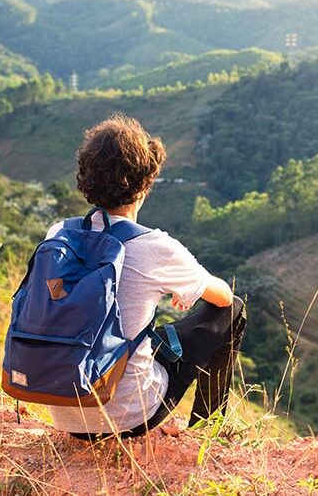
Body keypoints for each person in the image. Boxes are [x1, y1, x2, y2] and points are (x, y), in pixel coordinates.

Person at [44, 114, 247, 439]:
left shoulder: (58, 234)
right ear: (144, 183)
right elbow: (222, 296)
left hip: (63, 407)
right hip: (129, 416)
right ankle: (209, 428)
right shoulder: (154, 246)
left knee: (140, 335)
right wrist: (192, 287)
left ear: (86, 178)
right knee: (233, 308)